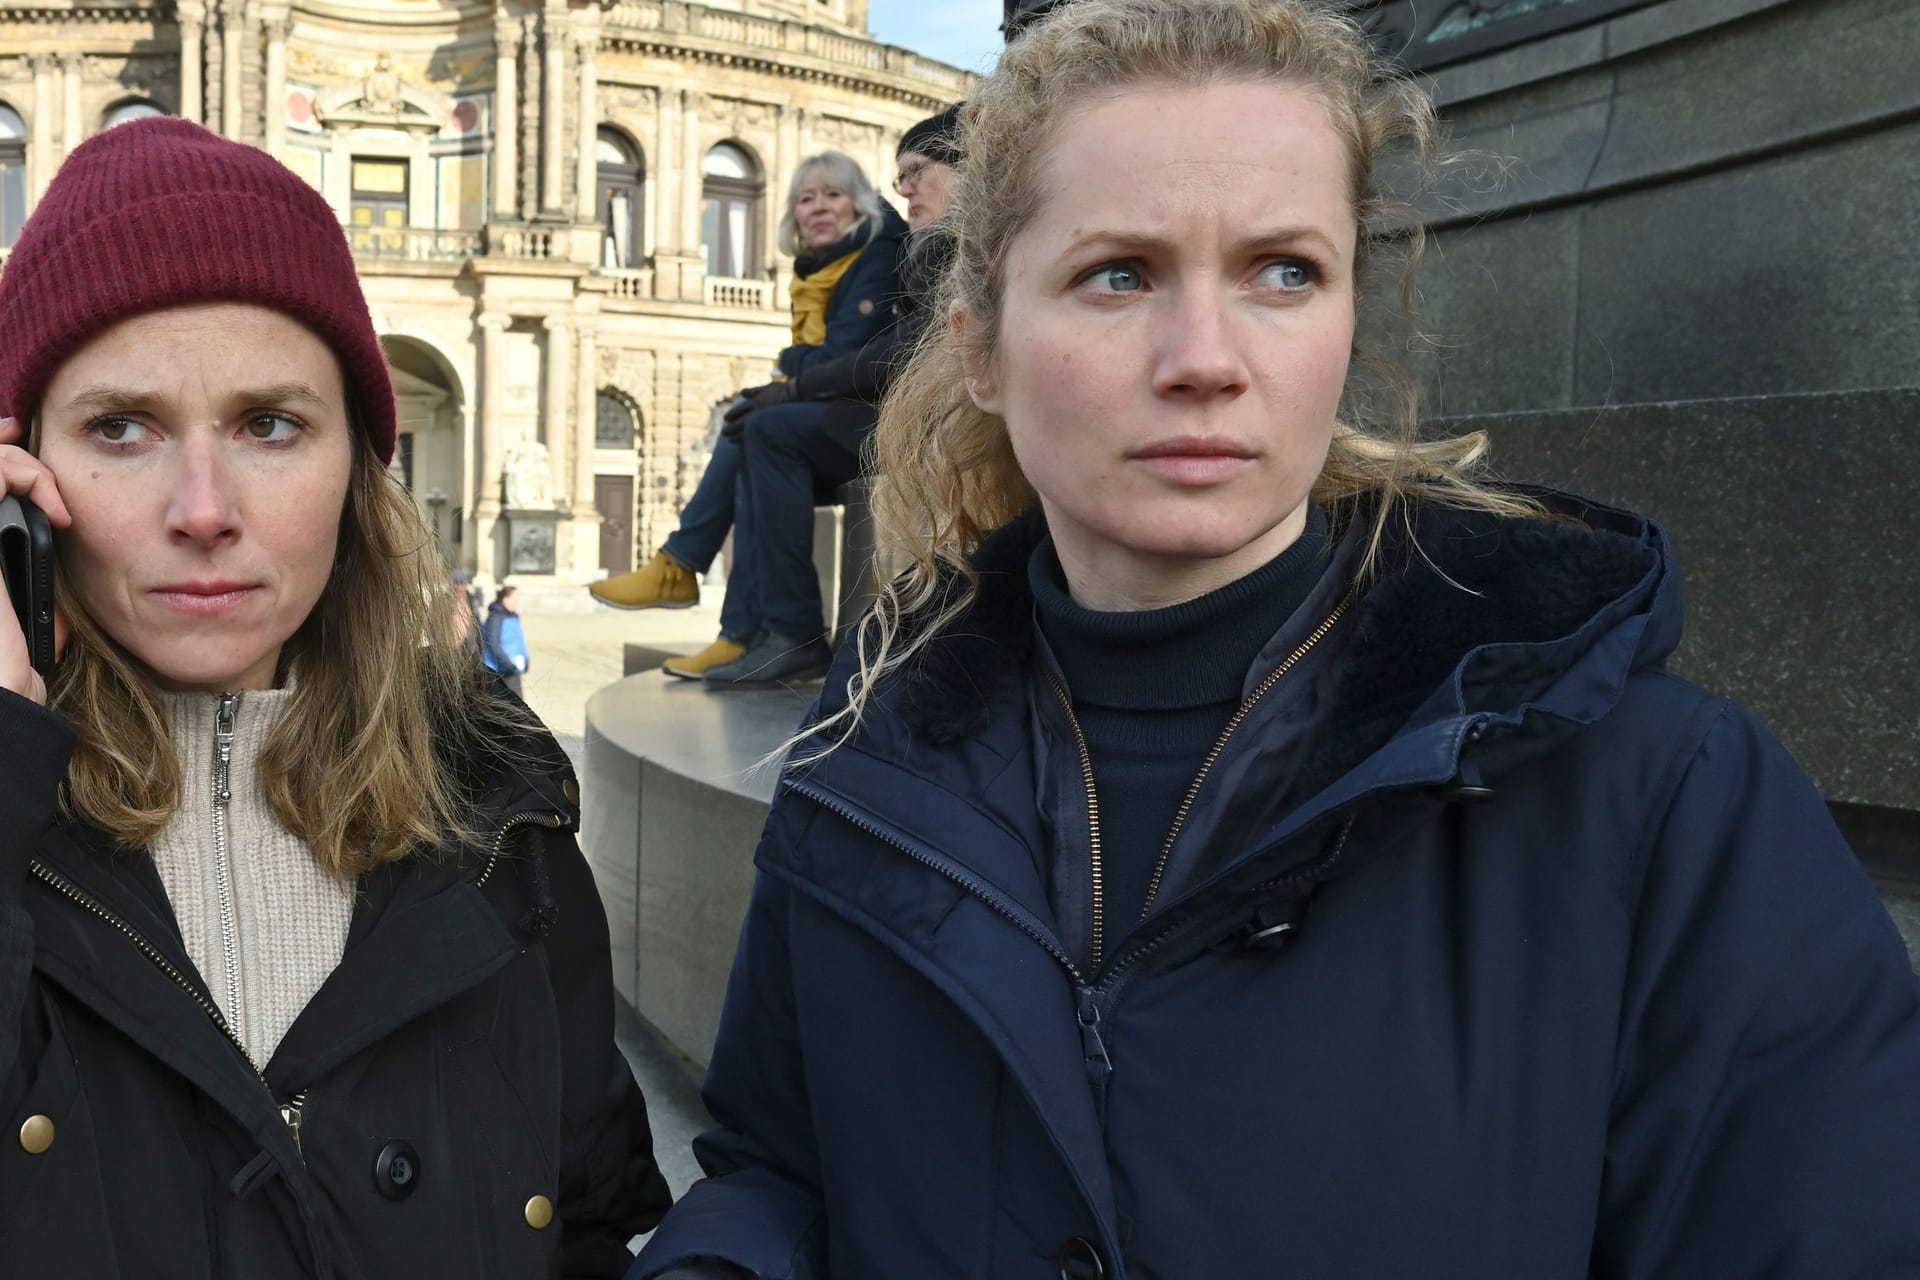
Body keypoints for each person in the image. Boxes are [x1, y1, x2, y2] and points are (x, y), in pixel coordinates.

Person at [631, 2, 1920, 1278]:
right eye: (1118, 273)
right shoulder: (865, 755)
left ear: (1351, 320)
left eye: (1282, 272)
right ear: (979, 345)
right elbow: (788, 1171)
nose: (1206, 357)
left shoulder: (1667, 801)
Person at [0, 118, 670, 1277]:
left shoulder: (501, 808)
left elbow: (589, 1222)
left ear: (358, 469)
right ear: (24, 472)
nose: (202, 508)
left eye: (270, 423)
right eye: (121, 425)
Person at [590, 151, 906, 683]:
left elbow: (849, 356)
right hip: (846, 411)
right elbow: (833, 357)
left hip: (878, 418)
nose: (819, 208)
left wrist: (790, 366)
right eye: (806, 199)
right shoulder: (821, 267)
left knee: (760, 426)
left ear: (859, 204)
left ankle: (717, 591)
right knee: (750, 425)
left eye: (833, 195)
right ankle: (734, 632)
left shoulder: (874, 255)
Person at [699, 106, 963, 687]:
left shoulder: (945, 247)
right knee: (759, 430)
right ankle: (747, 620)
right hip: (908, 414)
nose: (906, 189)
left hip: (940, 423)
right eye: (900, 178)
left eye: (917, 171)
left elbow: (895, 354)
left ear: (962, 166)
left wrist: (793, 381)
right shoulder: (923, 247)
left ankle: (781, 629)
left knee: (766, 428)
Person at [482, 582, 530, 695]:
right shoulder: (496, 617)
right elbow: (493, 644)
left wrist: (526, 660)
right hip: (499, 671)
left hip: (513, 669)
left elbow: (519, 641)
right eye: (515, 598)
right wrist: (507, 664)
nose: (518, 602)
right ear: (505, 599)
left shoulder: (514, 616)